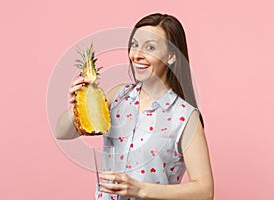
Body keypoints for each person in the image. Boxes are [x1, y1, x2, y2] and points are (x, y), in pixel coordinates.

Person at [55, 13, 214, 200]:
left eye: (150, 47)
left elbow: (205, 192)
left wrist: (139, 189)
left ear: (171, 56)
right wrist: (77, 105)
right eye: (135, 45)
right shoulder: (118, 97)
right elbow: (62, 132)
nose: (137, 55)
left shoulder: (185, 117)